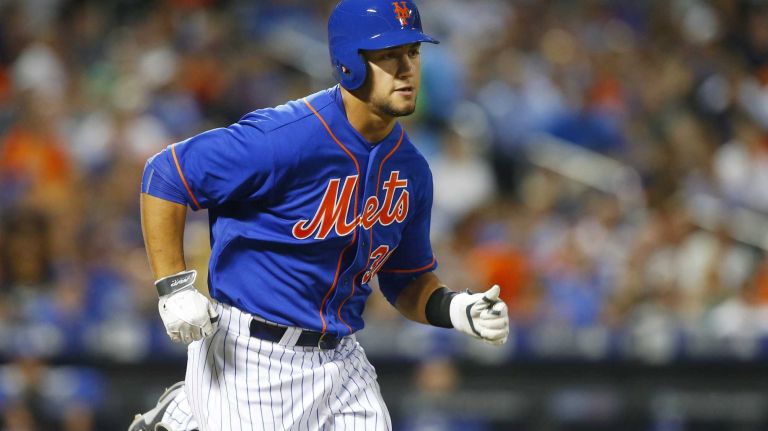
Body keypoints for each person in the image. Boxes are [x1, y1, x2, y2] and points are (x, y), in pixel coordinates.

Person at [131, 0, 509, 430]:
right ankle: (188, 418)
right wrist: (173, 287)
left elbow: (406, 278)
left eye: (413, 53)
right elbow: (166, 173)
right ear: (349, 62)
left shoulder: (411, 169)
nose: (407, 69)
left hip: (342, 356)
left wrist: (456, 308)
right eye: (388, 55)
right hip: (252, 357)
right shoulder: (284, 138)